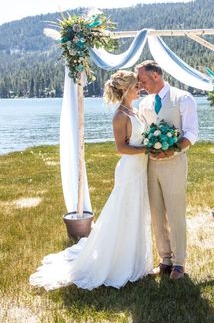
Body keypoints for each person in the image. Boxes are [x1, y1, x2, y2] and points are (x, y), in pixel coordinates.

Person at [29, 70, 153, 290]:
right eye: (135, 86)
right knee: (124, 212)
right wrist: (148, 148)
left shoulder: (134, 110)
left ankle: (136, 260)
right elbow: (121, 148)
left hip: (140, 169)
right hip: (129, 170)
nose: (139, 89)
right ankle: (119, 263)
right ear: (125, 90)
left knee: (137, 212)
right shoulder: (120, 116)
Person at [136, 60, 198, 280]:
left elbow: (191, 134)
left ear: (156, 76)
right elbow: (144, 131)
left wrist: (171, 150)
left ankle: (179, 262)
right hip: (151, 165)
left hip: (174, 163)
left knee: (175, 212)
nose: (141, 86)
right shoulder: (144, 103)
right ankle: (165, 259)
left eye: (143, 80)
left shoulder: (183, 98)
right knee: (156, 213)